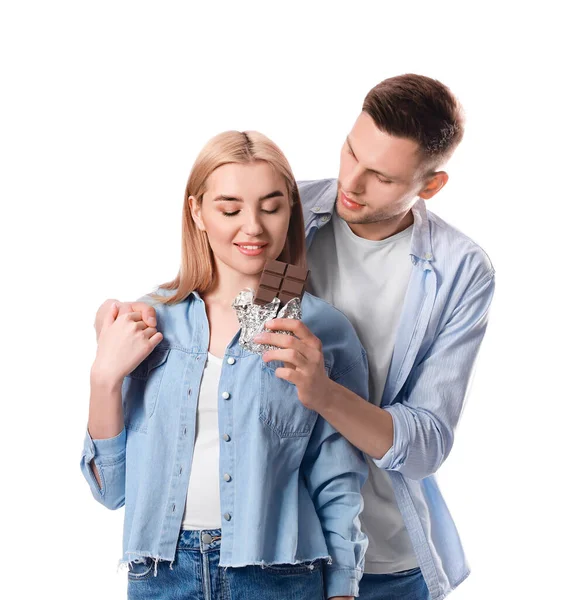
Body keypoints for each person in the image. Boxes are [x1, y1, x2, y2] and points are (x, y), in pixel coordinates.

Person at [97, 73, 495, 600]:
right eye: (351, 152)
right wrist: (118, 337)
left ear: (430, 186)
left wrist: (323, 391)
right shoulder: (280, 213)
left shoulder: (458, 270)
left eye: (381, 177)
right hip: (265, 538)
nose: (350, 183)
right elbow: (217, 335)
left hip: (381, 549)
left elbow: (424, 444)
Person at [81, 130, 370, 600]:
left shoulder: (323, 330)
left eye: (271, 207)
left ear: (292, 210)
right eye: (230, 209)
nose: (252, 227)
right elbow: (110, 490)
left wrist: (343, 587)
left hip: (279, 575)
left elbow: (337, 475)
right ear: (196, 211)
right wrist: (103, 378)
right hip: (161, 574)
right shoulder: (148, 320)